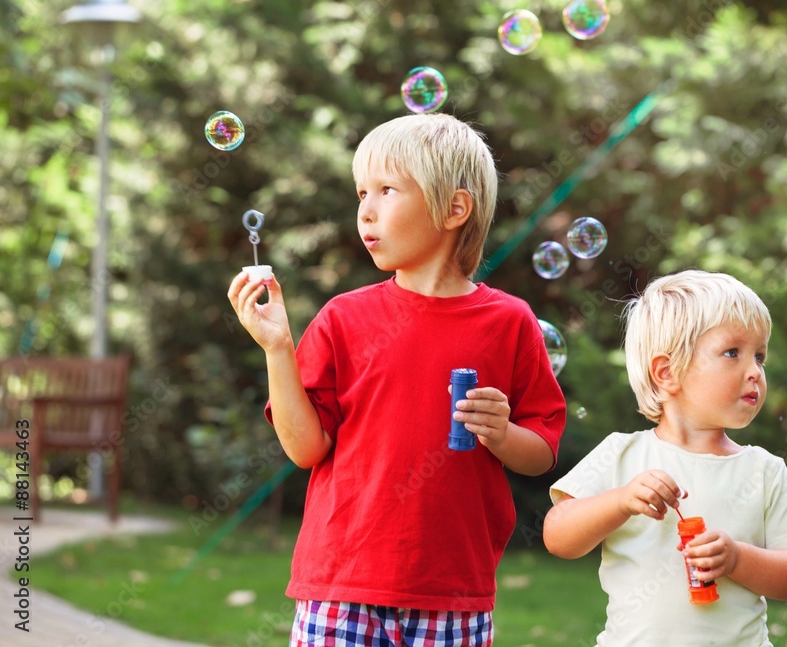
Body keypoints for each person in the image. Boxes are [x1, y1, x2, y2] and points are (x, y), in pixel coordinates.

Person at [228, 113, 566, 646]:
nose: (366, 208)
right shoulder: (344, 318)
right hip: (341, 585)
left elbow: (541, 452)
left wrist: (502, 434)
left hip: (452, 592)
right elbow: (304, 447)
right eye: (361, 191)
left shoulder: (510, 322)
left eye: (387, 189)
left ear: (455, 208)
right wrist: (278, 348)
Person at [542, 269, 787, 646]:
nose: (754, 370)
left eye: (760, 356)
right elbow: (558, 535)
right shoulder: (622, 454)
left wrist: (738, 559)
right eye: (733, 352)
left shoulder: (763, 470)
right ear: (668, 372)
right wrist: (620, 500)